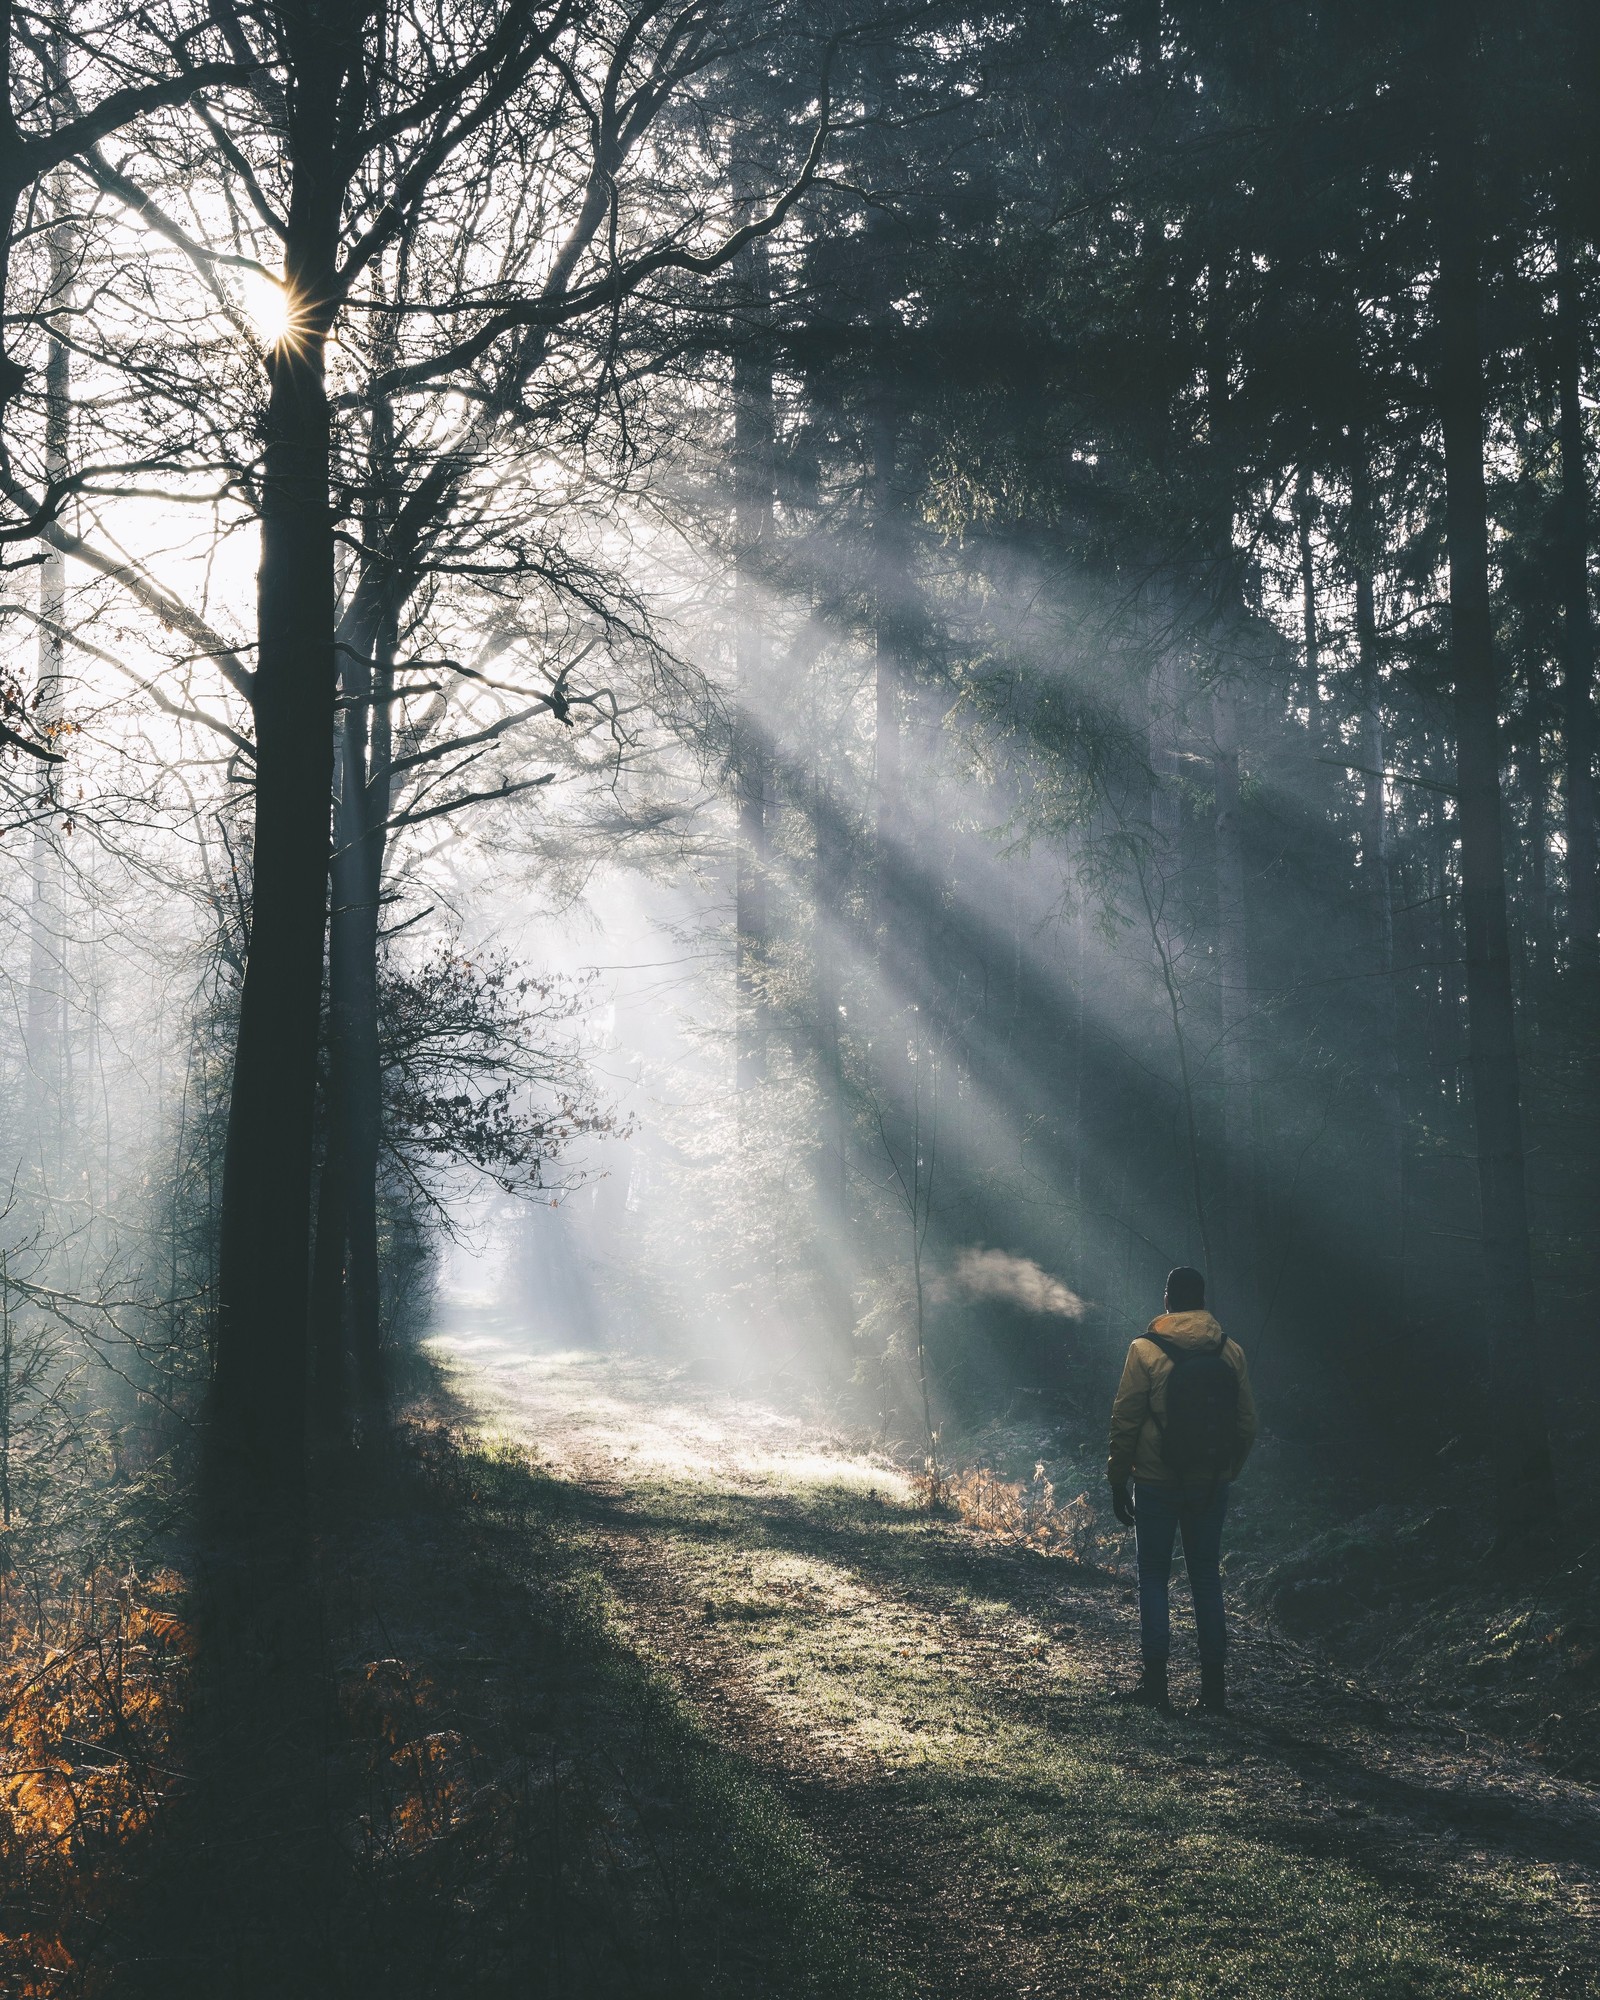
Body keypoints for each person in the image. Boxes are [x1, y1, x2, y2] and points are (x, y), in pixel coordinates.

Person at [1106, 1265, 1257, 1715]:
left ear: (1167, 1299)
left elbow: (1126, 1419)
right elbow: (1247, 1423)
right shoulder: (1230, 1352)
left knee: (1153, 1576)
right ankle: (1213, 1691)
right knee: (1206, 1578)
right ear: (1203, 1300)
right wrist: (1225, 1470)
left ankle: (1156, 1685)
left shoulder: (1145, 1350)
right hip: (1210, 1482)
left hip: (1155, 1480)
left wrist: (1118, 1480)